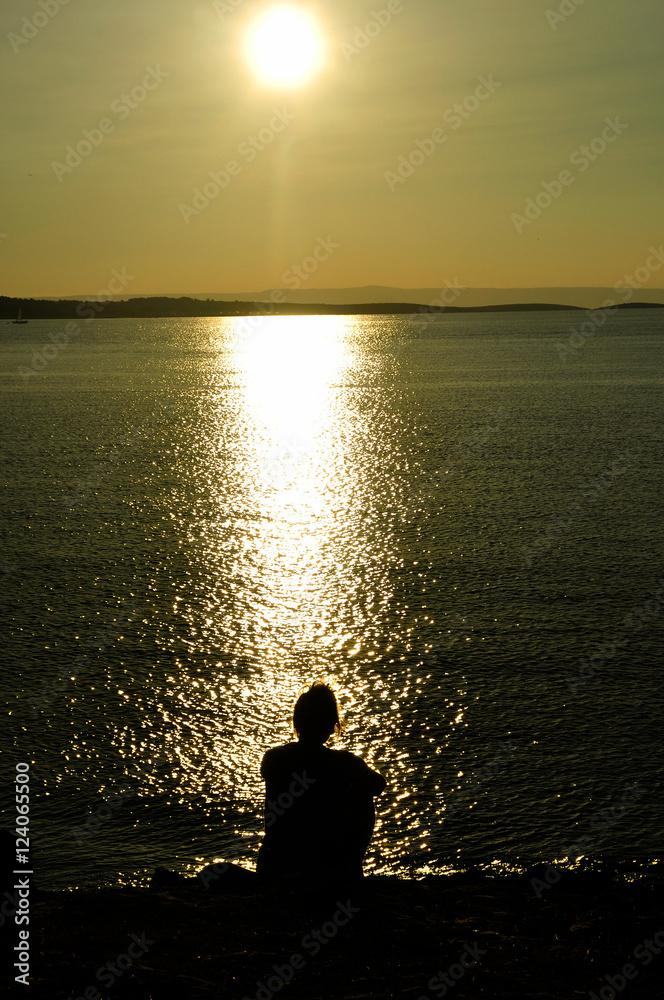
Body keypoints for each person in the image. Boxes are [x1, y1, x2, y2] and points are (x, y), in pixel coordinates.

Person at [256, 681, 386, 886]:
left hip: (273, 862)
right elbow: (378, 784)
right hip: (322, 863)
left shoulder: (273, 757)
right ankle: (350, 870)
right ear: (331, 722)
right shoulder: (343, 762)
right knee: (362, 793)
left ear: (297, 721)